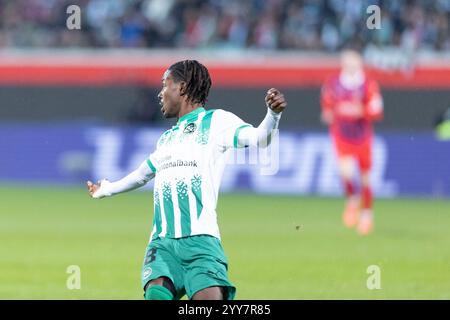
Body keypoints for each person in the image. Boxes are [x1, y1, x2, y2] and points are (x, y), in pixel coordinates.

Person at [87, 60, 287, 300]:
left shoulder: (217, 122)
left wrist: (273, 115)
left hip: (201, 244)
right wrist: (107, 189)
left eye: (165, 85)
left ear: (181, 87)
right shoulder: (167, 139)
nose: (161, 93)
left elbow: (259, 138)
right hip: (162, 244)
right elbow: (142, 174)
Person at [320, 49, 383, 235]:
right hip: (342, 135)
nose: (350, 66)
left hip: (362, 137)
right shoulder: (333, 83)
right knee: (346, 173)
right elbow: (327, 107)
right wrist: (329, 113)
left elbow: (377, 111)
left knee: (365, 179)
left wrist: (360, 111)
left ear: (359, 64)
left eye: (354, 63)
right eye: (347, 63)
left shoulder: (369, 85)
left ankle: (367, 215)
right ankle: (352, 200)